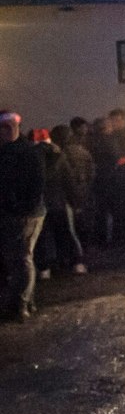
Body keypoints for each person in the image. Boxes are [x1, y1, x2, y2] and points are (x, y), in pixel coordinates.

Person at [0, 112, 46, 321]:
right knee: (17, 258)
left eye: (12, 126)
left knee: (21, 257)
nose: (8, 131)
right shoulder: (8, 151)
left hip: (26, 212)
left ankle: (21, 302)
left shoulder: (28, 152)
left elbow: (37, 183)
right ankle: (25, 299)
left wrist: (22, 205)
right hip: (12, 211)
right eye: (4, 127)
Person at [34, 127, 83, 276]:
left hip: (40, 203)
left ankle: (45, 268)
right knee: (67, 232)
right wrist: (75, 201)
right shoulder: (59, 156)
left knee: (44, 236)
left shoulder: (32, 157)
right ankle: (76, 262)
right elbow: (69, 180)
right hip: (60, 201)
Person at [62, 118, 96, 252]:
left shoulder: (63, 151)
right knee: (82, 220)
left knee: (74, 222)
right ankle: (83, 249)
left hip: (72, 189)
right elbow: (91, 171)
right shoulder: (82, 149)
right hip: (82, 187)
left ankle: (77, 252)